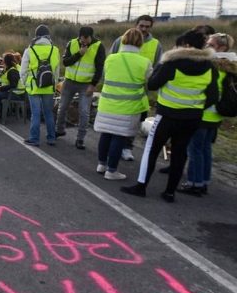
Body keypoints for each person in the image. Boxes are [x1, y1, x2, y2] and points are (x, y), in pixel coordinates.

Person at [120, 29, 218, 202]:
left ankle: (141, 186)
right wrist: (195, 107)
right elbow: (213, 96)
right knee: (180, 154)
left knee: (152, 151)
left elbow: (152, 84)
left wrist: (162, 62)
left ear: (186, 45)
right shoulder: (209, 66)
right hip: (192, 118)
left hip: (167, 115)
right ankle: (170, 192)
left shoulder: (173, 63)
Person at [178, 33, 237, 196]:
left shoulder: (212, 65)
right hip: (216, 115)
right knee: (205, 149)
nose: (206, 47)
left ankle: (194, 183)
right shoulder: (230, 64)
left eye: (210, 44)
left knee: (194, 150)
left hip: (203, 113)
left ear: (221, 47)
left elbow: (207, 89)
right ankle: (203, 181)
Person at [93, 28, 152, 180]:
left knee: (105, 134)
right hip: (128, 106)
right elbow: (149, 83)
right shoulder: (144, 62)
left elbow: (106, 77)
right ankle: (112, 170)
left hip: (107, 103)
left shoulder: (111, 58)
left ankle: (101, 164)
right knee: (119, 137)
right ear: (141, 42)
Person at [110, 15, 163, 161]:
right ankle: (113, 146)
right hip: (118, 89)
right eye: (142, 26)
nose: (144, 29)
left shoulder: (156, 45)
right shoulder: (120, 41)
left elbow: (158, 67)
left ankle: (127, 147)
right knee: (117, 120)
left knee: (135, 121)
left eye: (147, 26)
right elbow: (110, 61)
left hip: (140, 91)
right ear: (136, 25)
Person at [55, 26, 106, 149]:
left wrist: (93, 85)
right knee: (62, 108)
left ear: (90, 37)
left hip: (86, 85)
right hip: (70, 82)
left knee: (84, 112)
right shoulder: (72, 43)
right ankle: (60, 130)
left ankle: (80, 139)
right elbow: (66, 62)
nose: (82, 41)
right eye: (80, 39)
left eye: (85, 39)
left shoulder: (98, 46)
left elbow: (100, 69)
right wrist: (79, 54)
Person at [21, 24, 60, 146]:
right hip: (49, 87)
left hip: (33, 87)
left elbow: (23, 70)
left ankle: (34, 138)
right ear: (48, 36)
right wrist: (55, 83)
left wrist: (24, 83)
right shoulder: (55, 50)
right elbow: (57, 71)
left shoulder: (29, 50)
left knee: (35, 113)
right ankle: (51, 138)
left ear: (36, 36)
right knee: (48, 113)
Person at [0, 53, 24, 122]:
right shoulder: (9, 69)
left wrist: (1, 88)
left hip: (16, 94)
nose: (2, 62)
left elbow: (13, 85)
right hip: (11, 92)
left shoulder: (13, 71)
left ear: (6, 61)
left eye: (3, 60)